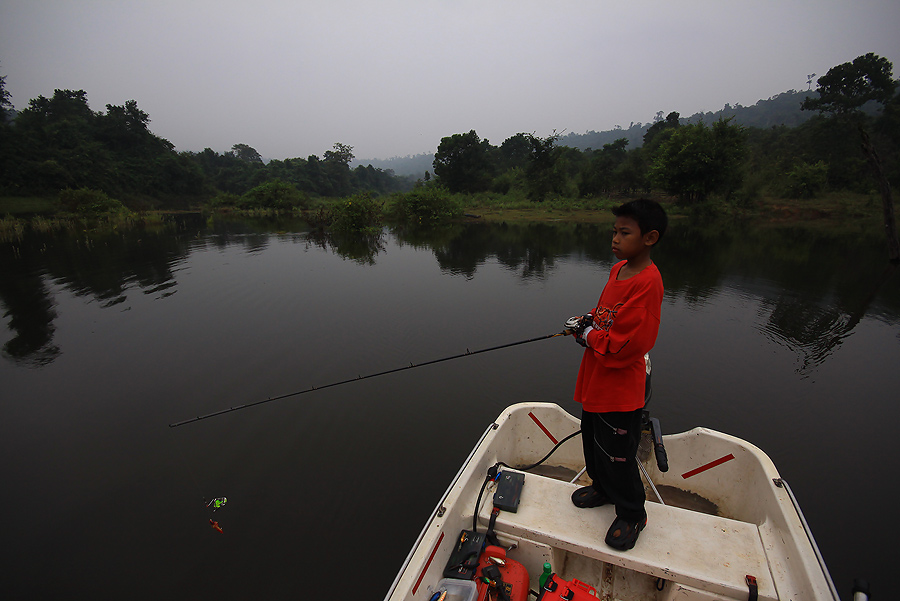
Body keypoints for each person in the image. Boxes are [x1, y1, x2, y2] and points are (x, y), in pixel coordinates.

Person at [569, 198, 667, 551]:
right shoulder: (619, 269)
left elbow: (630, 345)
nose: (615, 239)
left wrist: (590, 336)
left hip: (620, 386)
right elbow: (606, 312)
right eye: (614, 231)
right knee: (591, 436)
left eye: (624, 233)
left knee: (618, 453)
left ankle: (631, 512)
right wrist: (589, 321)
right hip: (597, 376)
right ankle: (601, 486)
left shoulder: (648, 283)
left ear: (650, 237)